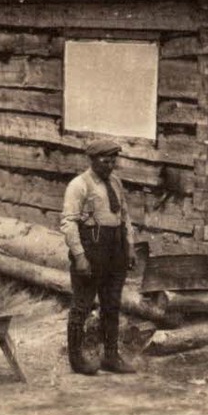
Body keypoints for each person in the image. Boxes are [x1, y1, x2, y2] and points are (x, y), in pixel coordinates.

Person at [60, 139, 138, 375]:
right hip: (91, 250)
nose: (110, 165)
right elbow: (69, 223)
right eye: (105, 161)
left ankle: (111, 356)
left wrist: (130, 247)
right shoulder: (79, 185)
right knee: (82, 305)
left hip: (115, 250)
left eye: (113, 160)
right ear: (92, 160)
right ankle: (77, 359)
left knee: (112, 305)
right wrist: (80, 256)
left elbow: (124, 216)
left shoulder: (115, 182)